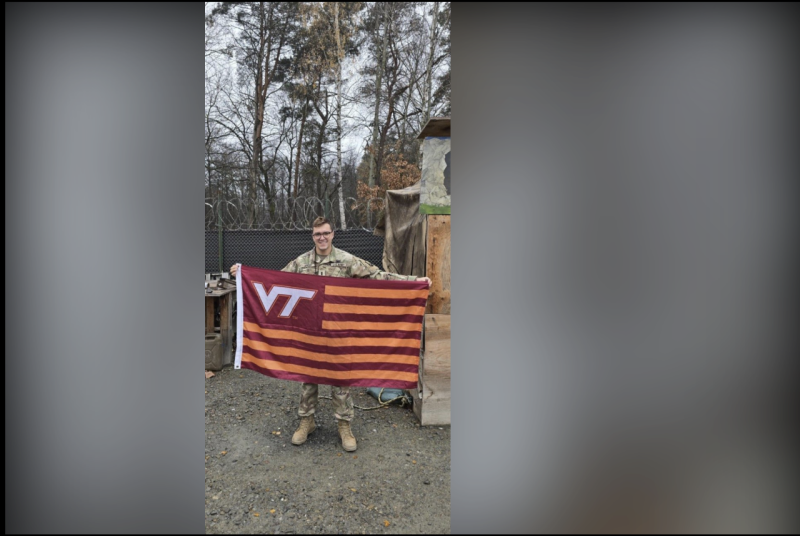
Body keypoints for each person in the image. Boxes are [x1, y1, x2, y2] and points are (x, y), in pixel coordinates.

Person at [230, 216, 430, 452]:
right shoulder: (302, 262)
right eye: (317, 234)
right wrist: (243, 275)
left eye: (325, 233)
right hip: (308, 334)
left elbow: (376, 276)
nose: (322, 238)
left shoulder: (346, 261)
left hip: (338, 333)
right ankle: (307, 421)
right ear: (312, 236)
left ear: (333, 234)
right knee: (306, 378)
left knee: (341, 379)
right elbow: (273, 282)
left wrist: (413, 282)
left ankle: (344, 425)